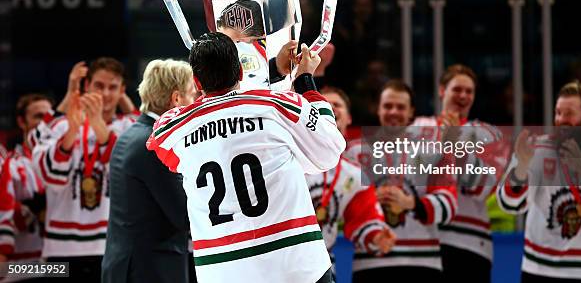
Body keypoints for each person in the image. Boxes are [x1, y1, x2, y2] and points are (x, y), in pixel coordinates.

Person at [146, 32, 346, 283]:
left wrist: (272, 72)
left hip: (222, 272)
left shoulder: (172, 128)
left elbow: (170, 151)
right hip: (295, 265)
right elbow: (330, 150)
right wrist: (304, 79)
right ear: (240, 72)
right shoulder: (278, 105)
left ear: (196, 82)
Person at [31, 57, 136, 281]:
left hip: (111, 246)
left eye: (113, 87)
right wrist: (71, 127)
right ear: (86, 86)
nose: (106, 94)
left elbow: (130, 175)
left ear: (122, 91)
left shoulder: (129, 128)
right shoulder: (63, 124)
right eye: (99, 85)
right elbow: (50, 177)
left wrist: (99, 126)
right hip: (60, 249)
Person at [497, 82, 581, 282]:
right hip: (541, 269)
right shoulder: (536, 149)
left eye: (569, 114)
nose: (561, 120)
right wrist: (521, 168)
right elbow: (508, 204)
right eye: (558, 113)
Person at [102, 59, 198, 283]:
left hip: (126, 266)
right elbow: (184, 216)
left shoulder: (131, 135)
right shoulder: (154, 145)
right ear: (176, 99)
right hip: (150, 271)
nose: (195, 104)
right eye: (192, 96)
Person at [352, 79, 457, 282]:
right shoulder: (355, 152)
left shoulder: (431, 151)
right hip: (371, 261)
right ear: (378, 109)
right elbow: (346, 208)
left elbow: (449, 204)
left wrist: (411, 203)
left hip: (422, 263)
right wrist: (370, 200)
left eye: (400, 107)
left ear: (411, 112)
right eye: (388, 106)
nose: (393, 112)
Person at [412, 64, 508, 283]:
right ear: (442, 90)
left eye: (469, 91)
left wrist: (456, 146)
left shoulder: (489, 134)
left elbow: (482, 189)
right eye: (457, 89)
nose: (463, 96)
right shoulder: (419, 127)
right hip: (424, 242)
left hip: (471, 246)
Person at [307, 86, 395, 273]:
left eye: (337, 105)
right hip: (282, 259)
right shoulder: (289, 159)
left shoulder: (354, 175)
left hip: (326, 266)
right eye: (324, 104)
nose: (330, 107)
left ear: (348, 119)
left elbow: (364, 219)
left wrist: (376, 236)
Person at [0, 94, 52, 272]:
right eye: (38, 116)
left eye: (48, 116)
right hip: (20, 269)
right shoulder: (12, 167)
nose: (44, 122)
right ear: (21, 122)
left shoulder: (65, 162)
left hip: (56, 266)